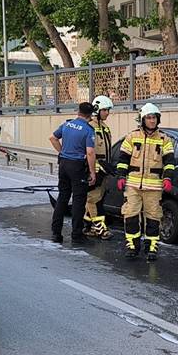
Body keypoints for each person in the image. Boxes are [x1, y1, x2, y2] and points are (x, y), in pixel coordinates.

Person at [115, 103, 174, 261]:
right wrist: (121, 176)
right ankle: (132, 245)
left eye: (154, 117)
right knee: (131, 215)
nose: (152, 121)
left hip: (154, 186)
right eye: (148, 118)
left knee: (153, 217)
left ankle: (152, 246)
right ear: (142, 120)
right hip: (133, 186)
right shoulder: (132, 137)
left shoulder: (164, 139)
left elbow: (169, 162)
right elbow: (123, 160)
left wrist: (167, 178)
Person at [49, 102, 97, 244]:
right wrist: (92, 172)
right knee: (78, 200)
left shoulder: (67, 124)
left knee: (62, 198)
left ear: (78, 112)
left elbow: (52, 138)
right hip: (77, 166)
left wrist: (62, 151)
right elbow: (90, 152)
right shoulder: (89, 130)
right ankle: (77, 234)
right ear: (90, 115)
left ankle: (56, 233)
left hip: (63, 163)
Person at [83, 96, 114, 239]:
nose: (108, 113)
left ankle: (88, 226)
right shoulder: (89, 127)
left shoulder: (105, 128)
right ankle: (101, 228)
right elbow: (87, 150)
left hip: (103, 169)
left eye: (108, 110)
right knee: (93, 199)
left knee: (98, 198)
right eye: (105, 110)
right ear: (97, 110)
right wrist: (92, 168)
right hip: (93, 168)